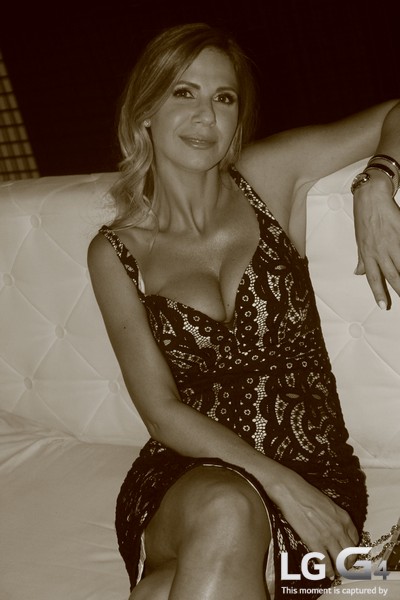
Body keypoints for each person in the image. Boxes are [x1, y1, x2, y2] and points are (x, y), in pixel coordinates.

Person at [87, 22, 400, 600]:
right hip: (188, 481)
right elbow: (161, 411)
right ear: (145, 111)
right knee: (227, 507)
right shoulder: (116, 253)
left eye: (223, 98)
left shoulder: (268, 180)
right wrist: (280, 485)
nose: (205, 115)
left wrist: (376, 181)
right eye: (184, 92)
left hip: (318, 479)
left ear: (237, 118)